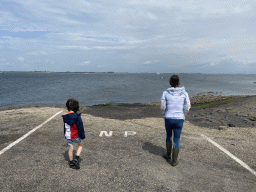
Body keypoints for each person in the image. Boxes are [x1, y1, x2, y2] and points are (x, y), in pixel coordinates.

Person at [160, 75, 191, 166]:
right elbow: (187, 107)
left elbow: (162, 107)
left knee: (168, 136)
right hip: (179, 119)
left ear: (170, 83)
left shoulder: (165, 93)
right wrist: (183, 114)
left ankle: (168, 155)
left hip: (168, 118)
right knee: (177, 139)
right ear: (179, 83)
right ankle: (174, 161)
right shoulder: (184, 93)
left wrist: (164, 113)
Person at [62, 98, 85, 169]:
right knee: (81, 145)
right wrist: (82, 136)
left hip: (68, 135)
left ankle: (71, 163)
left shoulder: (65, 116)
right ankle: (76, 159)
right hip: (74, 135)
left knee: (71, 148)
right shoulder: (77, 116)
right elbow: (80, 127)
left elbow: (65, 127)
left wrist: (65, 135)